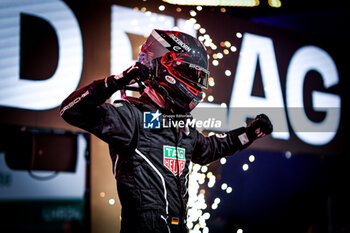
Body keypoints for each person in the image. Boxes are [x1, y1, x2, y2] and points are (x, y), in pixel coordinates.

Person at [60, 29, 273, 233]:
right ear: (166, 67)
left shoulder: (180, 123)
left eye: (199, 77)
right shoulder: (131, 116)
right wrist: (120, 79)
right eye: (191, 74)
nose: (196, 84)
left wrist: (250, 133)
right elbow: (71, 110)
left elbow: (209, 149)